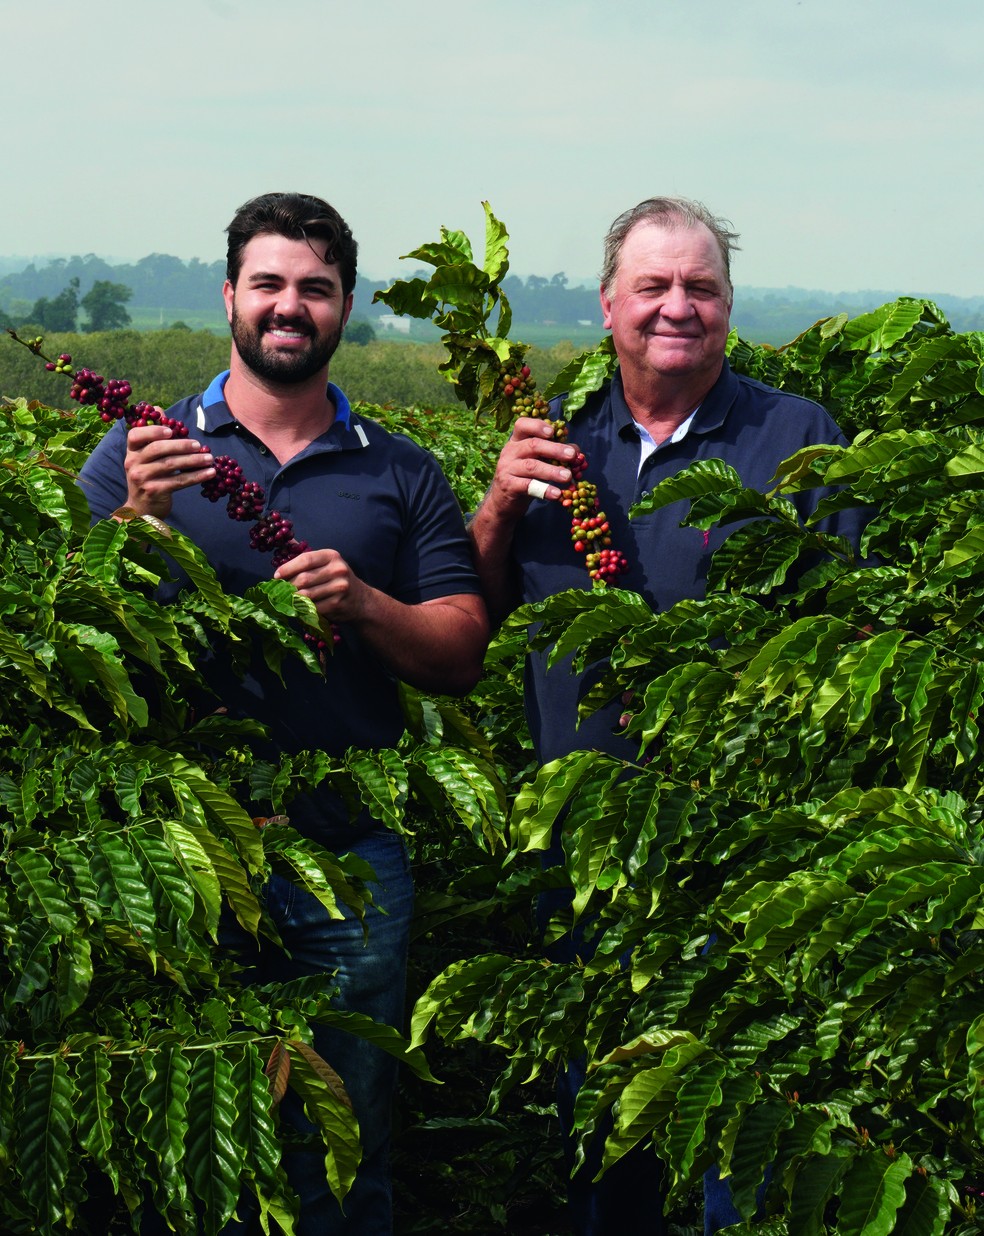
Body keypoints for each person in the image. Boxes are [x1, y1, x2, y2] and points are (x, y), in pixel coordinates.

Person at [78, 191, 489, 1235]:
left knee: (341, 1133)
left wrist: (362, 603)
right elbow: (82, 651)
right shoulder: (140, 454)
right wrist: (138, 523)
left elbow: (459, 651)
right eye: (268, 283)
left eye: (314, 287)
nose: (288, 306)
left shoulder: (400, 470)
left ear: (344, 306)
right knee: (182, 1135)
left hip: (348, 857)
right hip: (174, 859)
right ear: (229, 297)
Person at [467, 197, 868, 1234]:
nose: (676, 307)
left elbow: (852, 636)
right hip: (589, 857)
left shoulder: (796, 437)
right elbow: (461, 621)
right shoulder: (558, 444)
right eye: (654, 287)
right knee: (606, 1132)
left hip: (749, 858)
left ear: (731, 307)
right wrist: (502, 501)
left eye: (701, 287)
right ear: (609, 305)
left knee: (753, 1137)